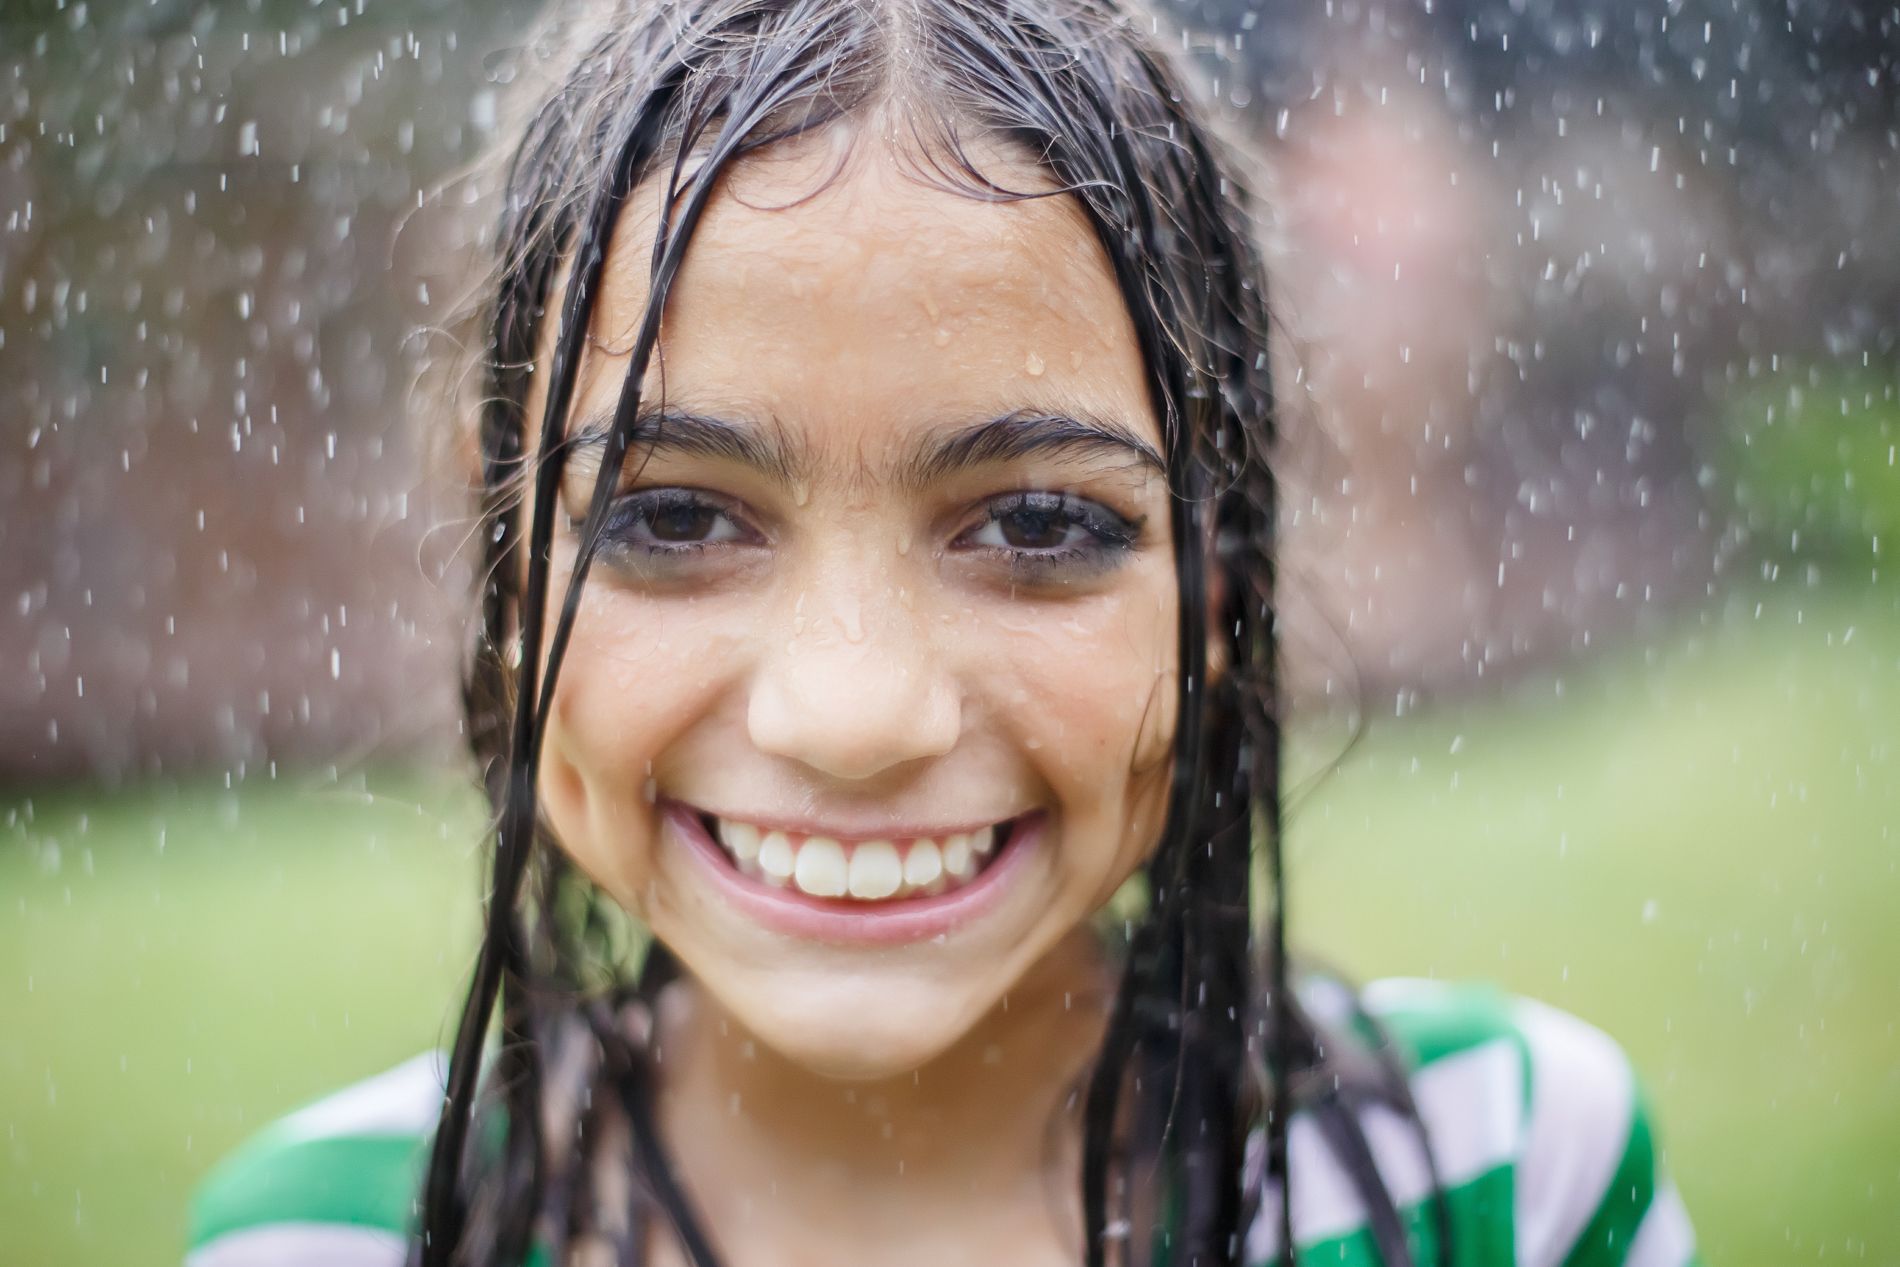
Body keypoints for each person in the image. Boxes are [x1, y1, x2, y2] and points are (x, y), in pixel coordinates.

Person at [184, 0, 1699, 1264]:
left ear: (1218, 586)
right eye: (676, 519)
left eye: (1040, 525)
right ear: (506, 564)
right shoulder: (327, 1242)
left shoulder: (1505, 1176)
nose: (853, 715)